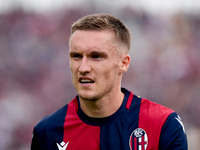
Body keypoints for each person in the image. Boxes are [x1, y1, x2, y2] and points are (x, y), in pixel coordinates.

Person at [31, 13, 188, 150]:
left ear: (123, 63)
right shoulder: (48, 131)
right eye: (76, 56)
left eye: (96, 56)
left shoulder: (163, 125)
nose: (83, 67)